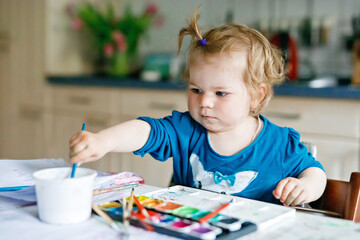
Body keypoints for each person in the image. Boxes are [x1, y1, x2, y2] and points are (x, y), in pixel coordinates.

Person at [69, 9, 326, 206]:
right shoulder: (186, 130)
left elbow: (315, 172)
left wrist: (305, 186)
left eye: (221, 93)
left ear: (256, 95)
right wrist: (103, 141)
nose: (204, 102)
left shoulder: (279, 144)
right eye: (196, 90)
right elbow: (146, 131)